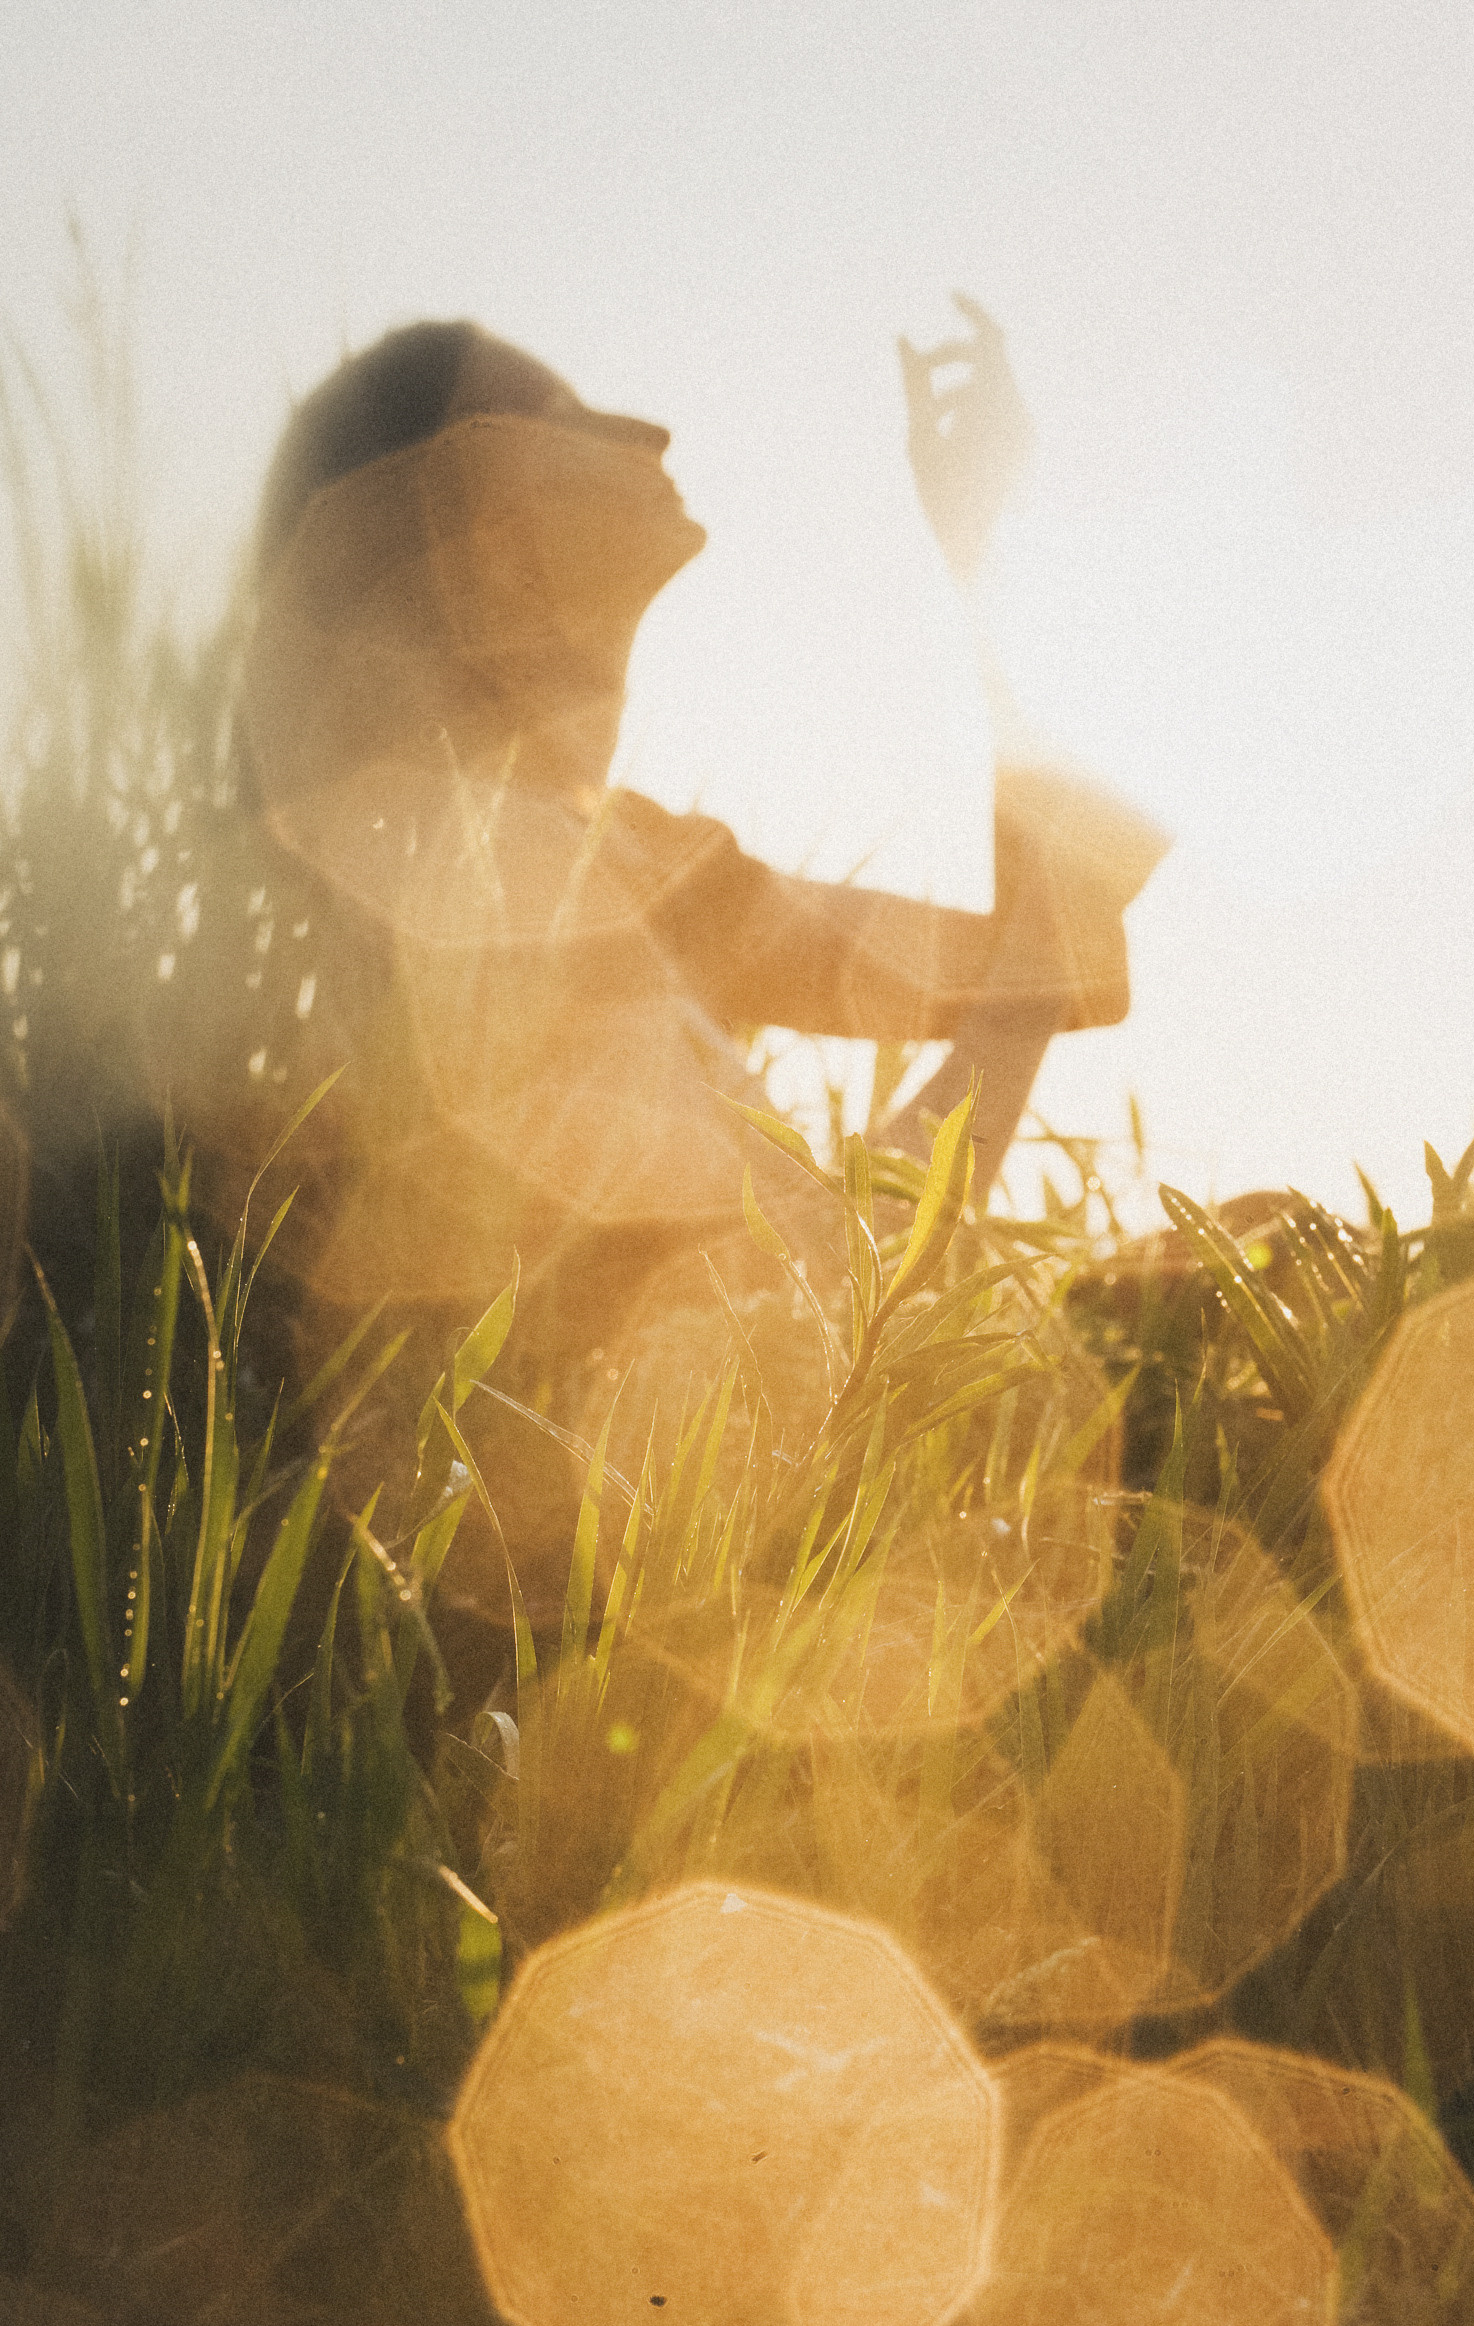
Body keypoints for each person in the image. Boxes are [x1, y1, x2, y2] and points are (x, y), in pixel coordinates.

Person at [233, 300, 1165, 1604]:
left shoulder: (632, 862)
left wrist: (983, 548)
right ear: (484, 532)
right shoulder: (461, 891)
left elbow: (1037, 963)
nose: (648, 433)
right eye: (571, 420)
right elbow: (822, 1305)